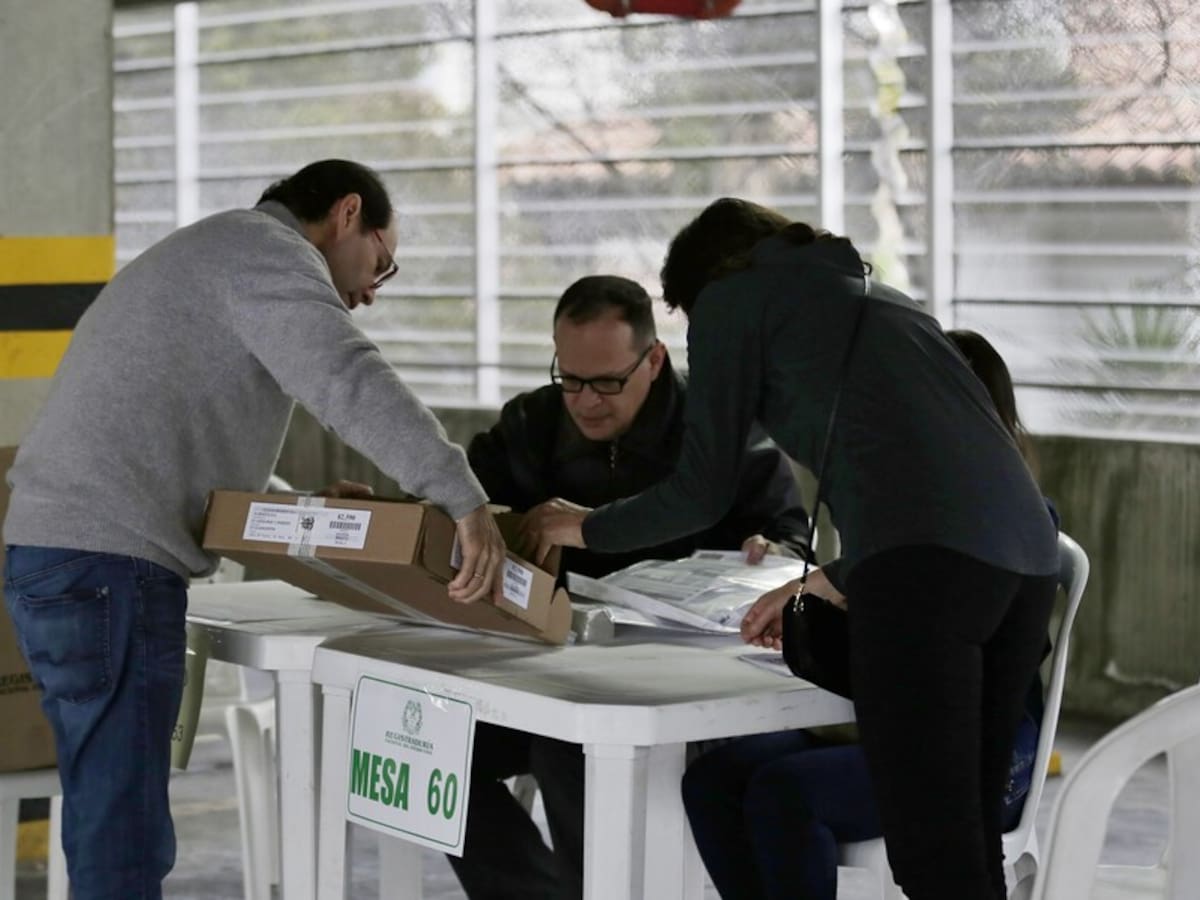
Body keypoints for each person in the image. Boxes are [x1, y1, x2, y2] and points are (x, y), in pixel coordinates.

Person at [523, 198, 1060, 900]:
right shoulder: (877, 297)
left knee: (932, 856)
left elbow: (701, 489)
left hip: (925, 573)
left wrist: (581, 526)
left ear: (698, 289)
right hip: (1027, 564)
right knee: (964, 845)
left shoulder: (732, 304)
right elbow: (960, 483)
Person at [2, 159, 507, 900]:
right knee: (124, 830)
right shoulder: (266, 254)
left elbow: (186, 450)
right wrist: (462, 498)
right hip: (107, 568)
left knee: (107, 811)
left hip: (59, 559)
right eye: (380, 263)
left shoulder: (214, 253)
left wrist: (301, 503)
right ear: (345, 214)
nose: (370, 291)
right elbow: (345, 377)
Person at [452, 273, 811, 900]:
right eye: (570, 379)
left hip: (695, 691)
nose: (586, 401)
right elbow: (460, 506)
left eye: (608, 382)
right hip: (556, 669)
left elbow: (792, 543)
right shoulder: (533, 423)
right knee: (425, 743)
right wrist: (391, 507)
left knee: (571, 743)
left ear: (655, 359)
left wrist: (774, 551)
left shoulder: (721, 428)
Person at [679, 327, 1052, 900]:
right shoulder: (901, 506)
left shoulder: (1016, 518)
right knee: (714, 779)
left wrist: (837, 577)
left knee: (786, 791)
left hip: (986, 754)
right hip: (876, 723)